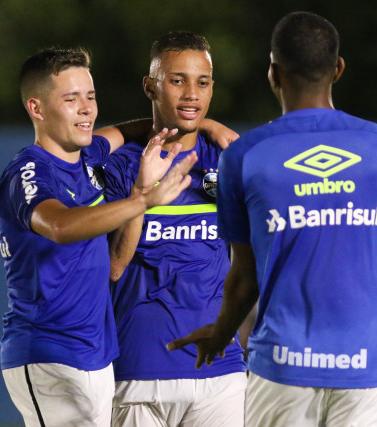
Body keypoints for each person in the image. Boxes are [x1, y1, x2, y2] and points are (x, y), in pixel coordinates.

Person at [168, 12, 377, 427]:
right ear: (338, 69)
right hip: (368, 371)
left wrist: (221, 332)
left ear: (273, 72)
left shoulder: (245, 156)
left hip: (281, 371)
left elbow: (244, 275)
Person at [0, 47, 198, 426]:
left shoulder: (88, 156)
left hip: (96, 355)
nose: (87, 108)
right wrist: (143, 200)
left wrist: (208, 127)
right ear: (37, 109)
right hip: (49, 353)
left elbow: (136, 129)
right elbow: (60, 226)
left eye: (90, 96)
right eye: (71, 99)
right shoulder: (29, 172)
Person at [97, 31, 247, 426]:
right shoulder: (120, 165)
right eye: (176, 80)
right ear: (150, 86)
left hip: (222, 372)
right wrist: (142, 193)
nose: (191, 94)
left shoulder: (231, 159)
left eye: (202, 82)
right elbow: (114, 267)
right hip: (139, 369)